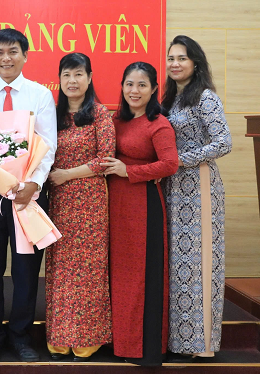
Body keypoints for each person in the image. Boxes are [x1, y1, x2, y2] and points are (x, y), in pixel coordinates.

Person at [0, 28, 57, 362]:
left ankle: (21, 336)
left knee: (25, 271)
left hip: (27, 196)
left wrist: (34, 184)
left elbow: (48, 145)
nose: (6, 58)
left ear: (25, 55)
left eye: (13, 51)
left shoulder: (40, 95)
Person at [102, 62, 178, 366]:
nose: (134, 91)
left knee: (139, 277)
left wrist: (129, 171)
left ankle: (142, 349)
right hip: (113, 205)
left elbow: (170, 164)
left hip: (142, 206)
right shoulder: (115, 120)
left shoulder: (158, 123)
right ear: (122, 86)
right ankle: (119, 342)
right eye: (129, 84)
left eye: (142, 85)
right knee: (117, 275)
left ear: (154, 89)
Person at [162, 36, 232, 359]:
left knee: (199, 264)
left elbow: (223, 142)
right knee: (178, 264)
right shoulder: (170, 100)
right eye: (171, 58)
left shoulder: (205, 97)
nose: (175, 64)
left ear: (195, 63)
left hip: (200, 187)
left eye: (182, 58)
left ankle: (202, 344)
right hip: (173, 189)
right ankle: (179, 340)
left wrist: (180, 160)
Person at [45, 53, 114, 361]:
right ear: (59, 80)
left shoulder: (100, 113)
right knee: (60, 268)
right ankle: (60, 336)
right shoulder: (52, 114)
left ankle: (88, 337)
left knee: (88, 270)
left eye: (78, 74)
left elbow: (106, 159)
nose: (72, 81)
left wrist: (67, 175)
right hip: (59, 202)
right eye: (66, 75)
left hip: (90, 201)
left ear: (89, 78)